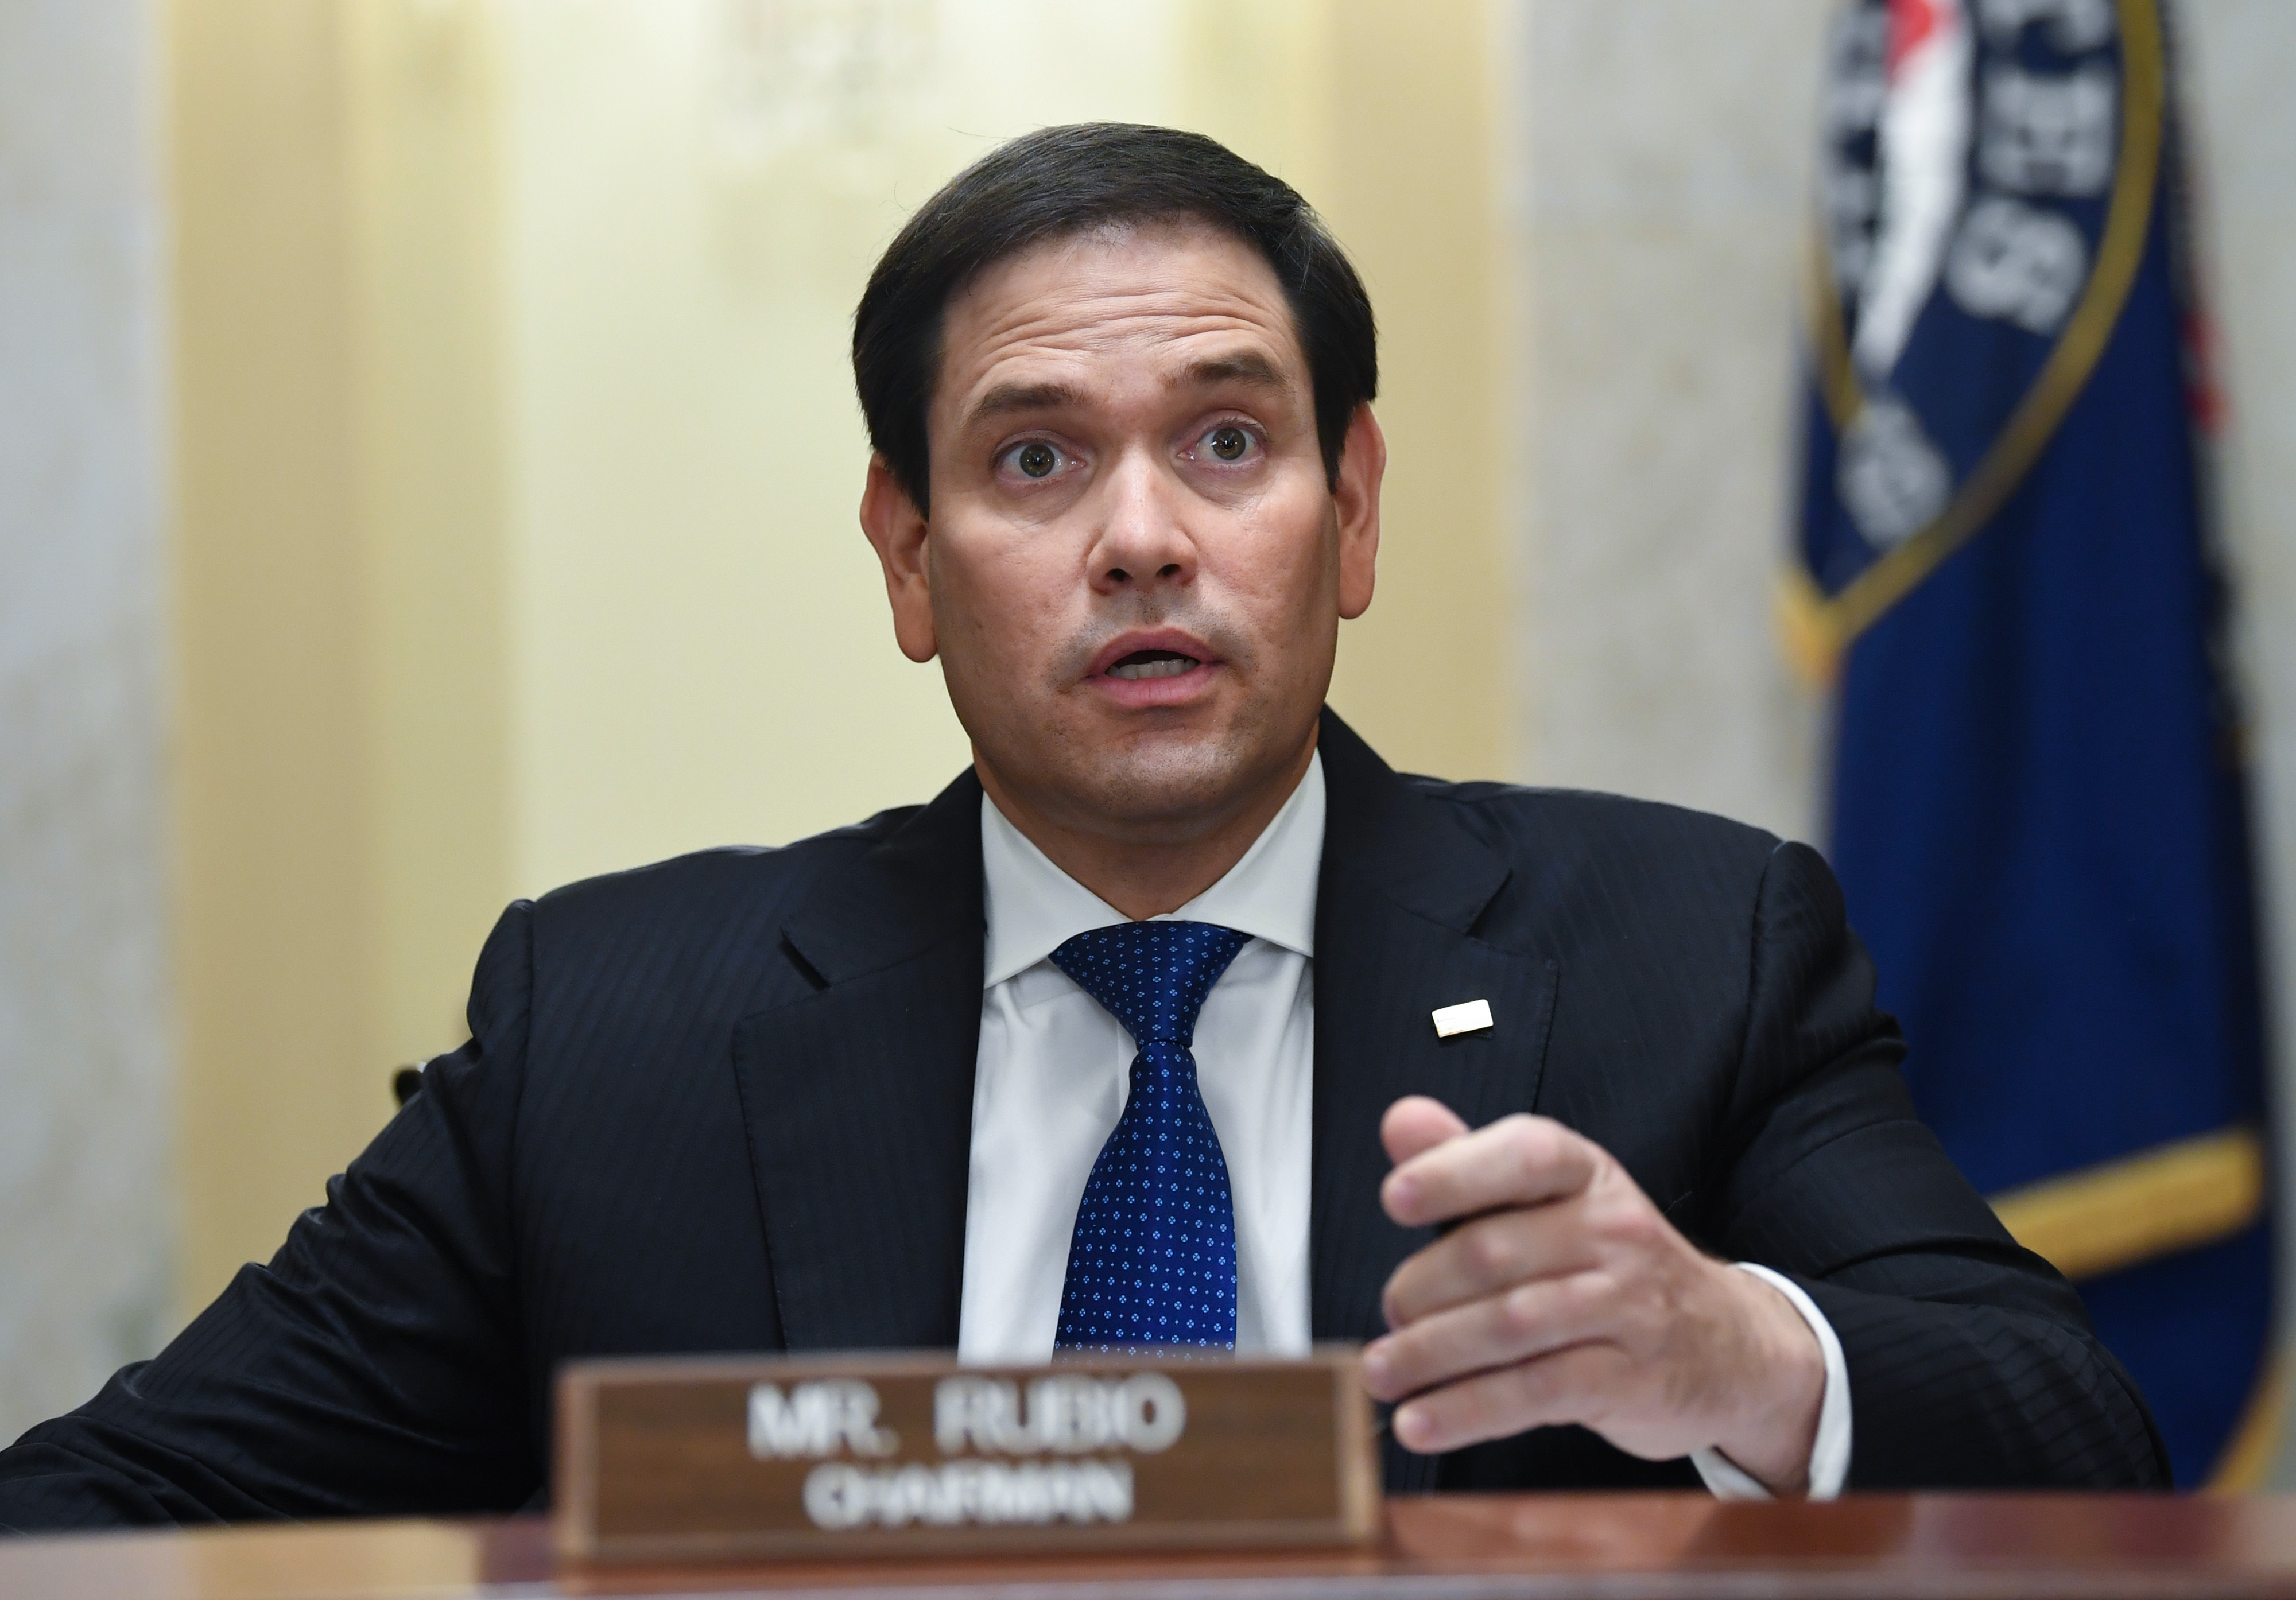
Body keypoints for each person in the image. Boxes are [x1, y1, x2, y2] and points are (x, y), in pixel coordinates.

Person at [0, 124, 2162, 1530]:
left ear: (1357, 510)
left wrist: (1733, 1349)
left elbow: (2084, 1450)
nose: (1144, 538)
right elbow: (110, 1514)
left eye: (1227, 439)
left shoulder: (1689, 948)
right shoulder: (615, 1032)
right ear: (908, 557)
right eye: (1035, 462)